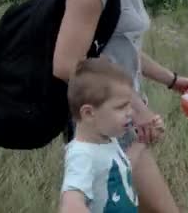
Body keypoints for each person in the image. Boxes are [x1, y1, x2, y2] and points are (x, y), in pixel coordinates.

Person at [52, 0, 188, 213]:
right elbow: (66, 64)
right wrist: (137, 109)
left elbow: (124, 50)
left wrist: (172, 80)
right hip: (102, 125)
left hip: (123, 120)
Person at [59, 57, 163, 213]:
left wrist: (142, 142)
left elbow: (119, 170)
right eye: (121, 107)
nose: (130, 112)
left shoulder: (106, 140)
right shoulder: (82, 155)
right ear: (88, 113)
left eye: (130, 105)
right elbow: (71, 204)